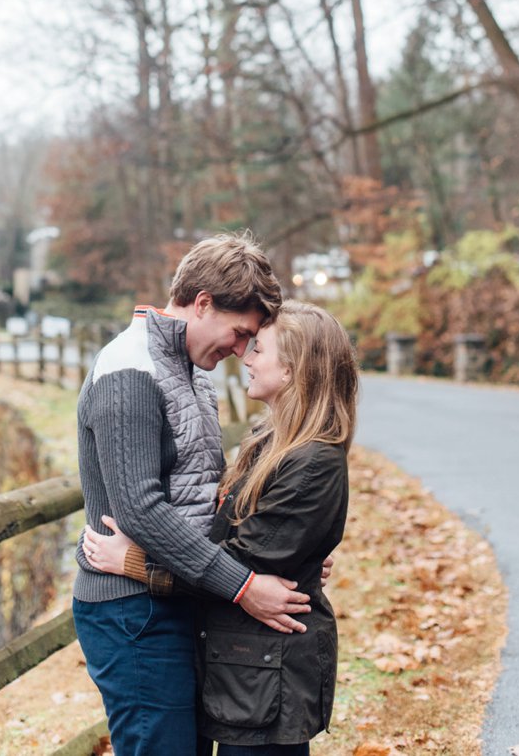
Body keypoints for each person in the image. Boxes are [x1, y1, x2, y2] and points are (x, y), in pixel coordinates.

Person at [73, 231, 312, 756]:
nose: (240, 349)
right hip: (133, 615)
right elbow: (140, 510)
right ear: (202, 303)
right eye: (238, 331)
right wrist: (244, 585)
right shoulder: (128, 369)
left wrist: (287, 550)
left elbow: (210, 495)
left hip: (180, 597)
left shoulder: (193, 372)